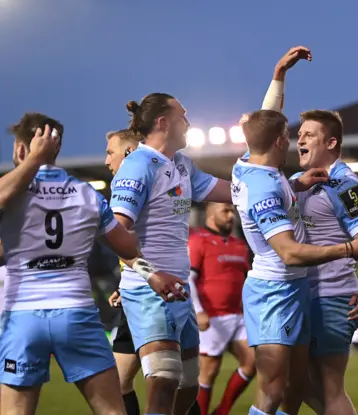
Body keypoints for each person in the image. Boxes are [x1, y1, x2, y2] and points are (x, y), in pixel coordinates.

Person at [0, 113, 184, 415]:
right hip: (76, 315)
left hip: (23, 317)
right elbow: (127, 246)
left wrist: (31, 164)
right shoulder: (85, 193)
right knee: (112, 411)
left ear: (22, 149)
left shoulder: (11, 193)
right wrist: (151, 275)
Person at [232, 109, 358, 415]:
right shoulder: (290, 181)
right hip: (299, 293)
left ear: (330, 143)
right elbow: (260, 138)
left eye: (309, 134)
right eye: (298, 133)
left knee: (327, 388)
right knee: (295, 385)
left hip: (331, 296)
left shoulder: (346, 186)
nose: (299, 139)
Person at [110, 93, 233, 415]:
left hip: (179, 291)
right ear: (164, 122)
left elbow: (227, 190)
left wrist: (280, 187)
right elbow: (115, 232)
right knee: (164, 378)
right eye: (183, 116)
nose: (189, 123)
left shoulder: (181, 164)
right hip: (148, 291)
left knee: (189, 385)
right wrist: (152, 274)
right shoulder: (137, 166)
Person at [189, 203, 254, 415]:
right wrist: (198, 310)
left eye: (232, 211)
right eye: (225, 211)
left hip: (238, 315)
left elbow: (248, 280)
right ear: (210, 214)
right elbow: (188, 279)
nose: (230, 216)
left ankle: (222, 411)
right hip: (211, 316)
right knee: (208, 371)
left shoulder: (240, 245)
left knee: (253, 362)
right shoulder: (198, 241)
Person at [105, 129, 144, 415]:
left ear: (129, 153)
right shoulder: (123, 187)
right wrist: (124, 283)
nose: (107, 161)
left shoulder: (136, 185)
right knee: (119, 383)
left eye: (110, 152)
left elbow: (140, 242)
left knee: (171, 383)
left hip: (151, 295)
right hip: (133, 293)